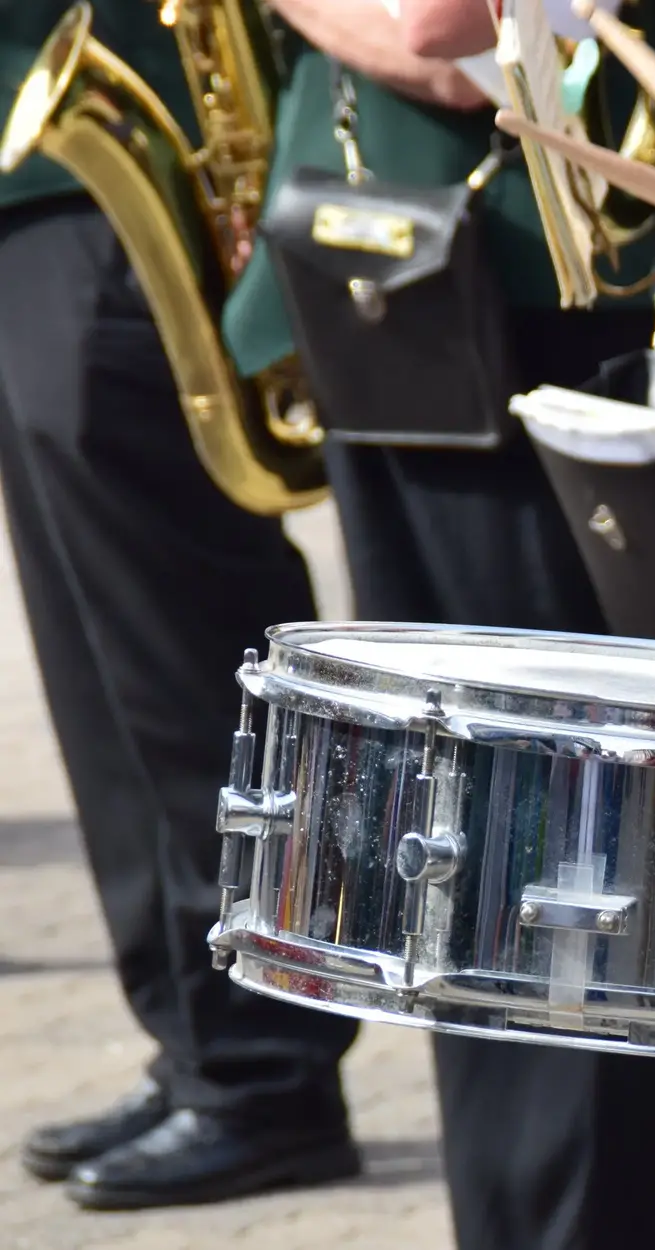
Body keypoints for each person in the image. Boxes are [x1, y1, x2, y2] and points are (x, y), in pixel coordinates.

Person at [220, 6, 655, 1247]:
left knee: (570, 842)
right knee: (473, 832)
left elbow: (444, 37)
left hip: (585, 256)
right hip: (403, 240)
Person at [0, 1, 361, 1210]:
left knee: (173, 639)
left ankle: (267, 1066)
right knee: (96, 657)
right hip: (33, 171)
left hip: (111, 146)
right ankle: (202, 1046)